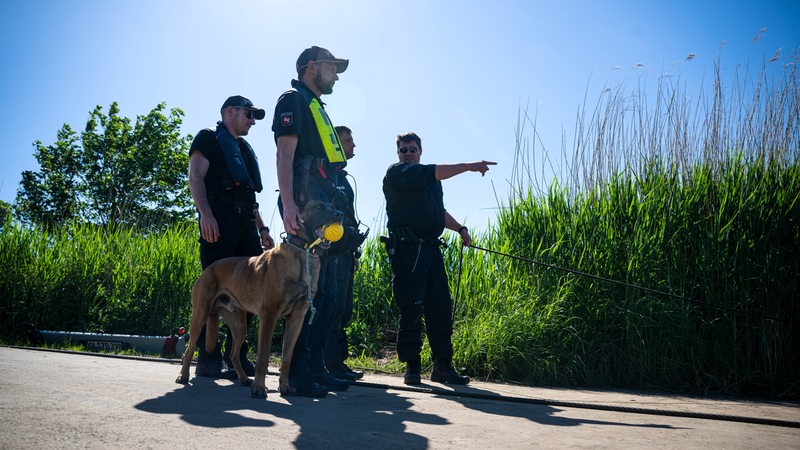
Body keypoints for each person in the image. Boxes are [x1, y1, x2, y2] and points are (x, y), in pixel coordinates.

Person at [382, 132, 496, 385]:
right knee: (411, 307)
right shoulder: (397, 173)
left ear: (421, 151)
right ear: (398, 153)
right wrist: (468, 166)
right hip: (408, 250)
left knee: (440, 309)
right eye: (404, 150)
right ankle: (412, 368)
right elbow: (434, 171)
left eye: (413, 149)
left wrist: (460, 229)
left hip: (432, 250)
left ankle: (442, 367)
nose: (408, 153)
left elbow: (438, 211)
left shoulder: (432, 182)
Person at [272, 46, 351, 397]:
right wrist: (289, 205)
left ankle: (315, 366)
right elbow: (285, 154)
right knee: (309, 295)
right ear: (311, 68)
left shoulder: (317, 105)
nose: (335, 74)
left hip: (324, 209)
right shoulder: (293, 100)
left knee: (328, 296)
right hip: (305, 211)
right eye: (331, 67)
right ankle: (296, 374)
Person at [188, 95, 275, 379]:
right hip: (219, 222)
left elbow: (251, 197)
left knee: (250, 290)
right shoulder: (208, 139)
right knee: (212, 293)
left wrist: (262, 230)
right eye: (248, 115)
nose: (252, 121)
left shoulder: (245, 149)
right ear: (229, 112)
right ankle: (207, 359)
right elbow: (196, 177)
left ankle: (234, 354)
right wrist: (206, 214)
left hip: (246, 226)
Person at [324, 125, 367, 381]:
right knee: (333, 305)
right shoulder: (327, 175)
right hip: (331, 253)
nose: (353, 145)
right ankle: (331, 365)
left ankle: (337, 362)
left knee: (344, 307)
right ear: (336, 144)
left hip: (345, 252)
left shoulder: (343, 178)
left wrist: (353, 252)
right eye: (348, 140)